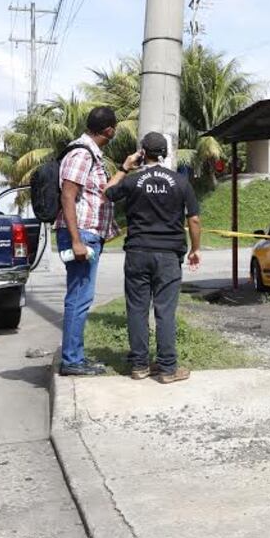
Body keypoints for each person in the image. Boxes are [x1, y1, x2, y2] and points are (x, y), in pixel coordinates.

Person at [105, 132, 202, 384]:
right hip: (169, 255)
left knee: (137, 310)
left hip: (137, 252)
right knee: (165, 312)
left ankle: (139, 366)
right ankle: (168, 369)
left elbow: (108, 191)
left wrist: (124, 168)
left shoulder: (134, 180)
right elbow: (194, 218)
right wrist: (195, 249)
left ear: (142, 152)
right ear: (166, 153)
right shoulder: (180, 182)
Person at [56, 106, 119, 377]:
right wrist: (76, 241)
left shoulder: (91, 154)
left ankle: (76, 357)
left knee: (82, 297)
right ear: (109, 130)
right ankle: (72, 361)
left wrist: (125, 169)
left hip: (89, 233)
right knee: (79, 298)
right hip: (82, 234)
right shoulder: (82, 153)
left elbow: (101, 192)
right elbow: (67, 196)